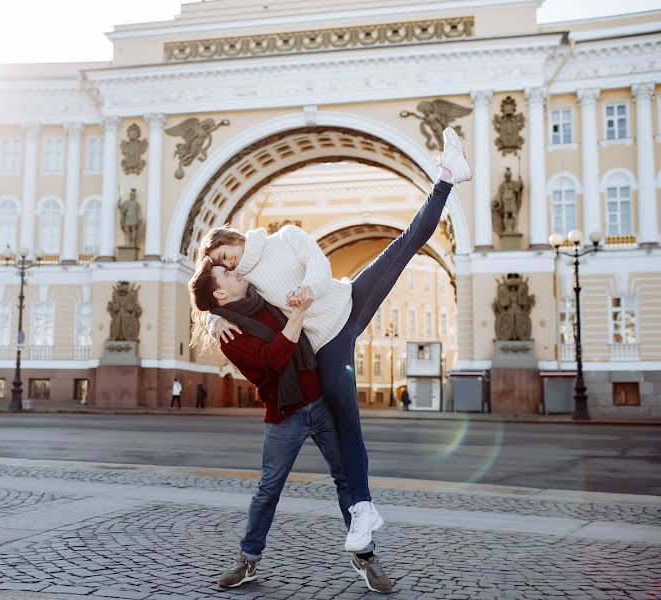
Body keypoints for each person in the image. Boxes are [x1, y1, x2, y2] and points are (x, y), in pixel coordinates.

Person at [200, 127, 470, 552]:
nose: (227, 263)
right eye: (220, 264)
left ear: (230, 238)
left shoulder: (285, 235)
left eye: (223, 255)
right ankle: (363, 512)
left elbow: (319, 265)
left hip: (350, 299)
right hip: (328, 344)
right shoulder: (243, 281)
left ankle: (447, 177)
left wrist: (308, 287)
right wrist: (215, 319)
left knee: (403, 245)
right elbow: (227, 300)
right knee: (349, 424)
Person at [188, 266, 391, 593]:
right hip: (285, 414)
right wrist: (295, 315)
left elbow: (273, 259)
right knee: (268, 489)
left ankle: (365, 557)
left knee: (345, 480)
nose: (234, 270)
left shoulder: (261, 293)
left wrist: (213, 317)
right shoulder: (230, 337)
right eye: (225, 273)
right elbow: (275, 357)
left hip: (320, 401)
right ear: (220, 294)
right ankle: (248, 559)